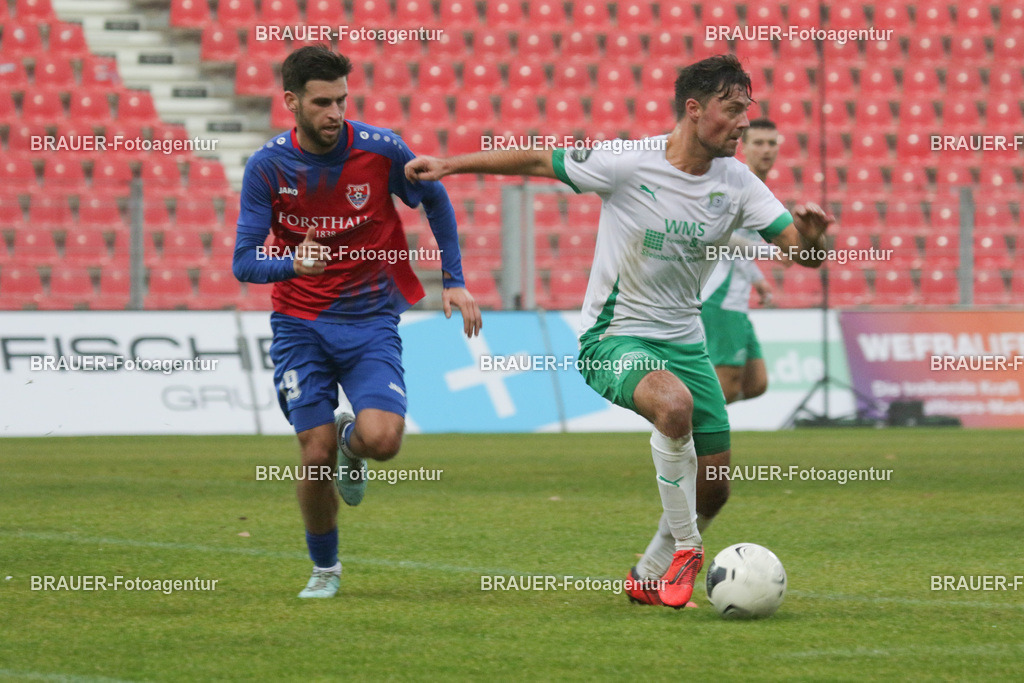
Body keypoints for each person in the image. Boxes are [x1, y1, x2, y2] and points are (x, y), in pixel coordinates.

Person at [405, 55, 832, 608]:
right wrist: (451, 165)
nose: (745, 124)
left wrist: (816, 239)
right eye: (733, 110)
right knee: (672, 406)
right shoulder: (628, 162)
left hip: (686, 343)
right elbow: (538, 158)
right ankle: (686, 548)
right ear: (694, 109)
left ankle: (649, 573)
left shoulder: (739, 183)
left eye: (747, 111)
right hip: (614, 338)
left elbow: (801, 253)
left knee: (716, 486)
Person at [233, 46, 482, 598]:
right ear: (291, 102)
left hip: (371, 320)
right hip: (299, 323)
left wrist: (456, 279)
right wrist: (291, 262)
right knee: (313, 451)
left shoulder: (381, 149)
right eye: (322, 102)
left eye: (342, 100)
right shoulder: (268, 167)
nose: (335, 113)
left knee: (384, 440)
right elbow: (243, 261)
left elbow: (435, 201)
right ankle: (326, 568)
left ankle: (354, 441)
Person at [700, 118, 782, 404]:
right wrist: (769, 252)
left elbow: (739, 241)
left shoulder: (759, 188)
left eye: (772, 143)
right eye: (758, 143)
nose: (766, 150)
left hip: (737, 296)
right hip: (719, 295)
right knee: (727, 386)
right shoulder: (733, 185)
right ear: (743, 148)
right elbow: (716, 236)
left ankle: (685, 413)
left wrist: (757, 280)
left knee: (755, 383)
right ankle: (677, 426)